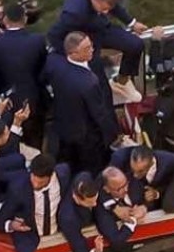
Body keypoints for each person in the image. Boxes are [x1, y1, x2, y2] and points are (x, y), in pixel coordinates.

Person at [47, 0, 149, 89]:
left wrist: (132, 23)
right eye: (103, 9)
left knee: (135, 44)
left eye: (107, 9)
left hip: (102, 29)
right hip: (85, 38)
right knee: (98, 77)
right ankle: (104, 99)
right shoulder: (73, 14)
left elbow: (114, 6)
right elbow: (53, 35)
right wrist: (73, 54)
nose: (106, 13)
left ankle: (122, 81)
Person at [43, 32, 119, 175]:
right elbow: (99, 113)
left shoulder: (54, 65)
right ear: (73, 53)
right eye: (86, 49)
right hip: (87, 138)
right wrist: (112, 135)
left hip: (64, 129)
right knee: (92, 171)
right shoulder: (88, 83)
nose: (92, 50)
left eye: (91, 46)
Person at [0, 3, 48, 149]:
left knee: (11, 139)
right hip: (34, 99)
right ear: (24, 19)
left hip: (6, 101)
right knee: (35, 139)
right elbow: (44, 69)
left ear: (5, 20)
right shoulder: (37, 41)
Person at [0, 155, 72, 252]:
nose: (35, 184)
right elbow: (1, 219)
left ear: (51, 176)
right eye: (33, 179)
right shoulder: (17, 189)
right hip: (33, 242)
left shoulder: (63, 174)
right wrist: (11, 225)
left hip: (60, 235)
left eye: (41, 182)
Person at [110, 144, 174, 209]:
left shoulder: (170, 161)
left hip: (159, 207)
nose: (135, 175)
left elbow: (173, 185)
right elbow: (104, 184)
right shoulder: (119, 159)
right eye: (133, 169)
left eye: (140, 171)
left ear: (151, 163)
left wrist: (157, 193)